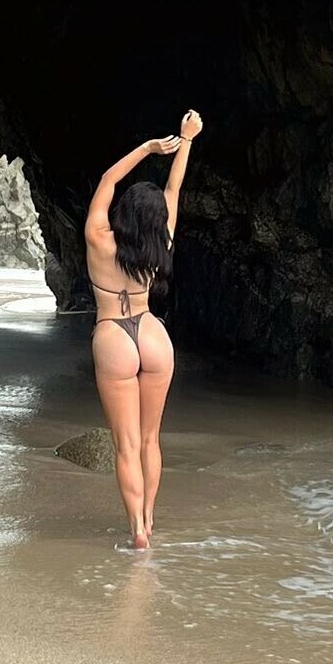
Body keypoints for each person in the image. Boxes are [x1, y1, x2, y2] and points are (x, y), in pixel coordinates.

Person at [84, 109, 204, 549]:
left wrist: (149, 148)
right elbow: (173, 189)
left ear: (125, 213)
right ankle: (150, 518)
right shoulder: (161, 241)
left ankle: (136, 530)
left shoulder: (99, 237)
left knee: (126, 444)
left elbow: (107, 180)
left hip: (113, 334)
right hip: (152, 334)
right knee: (151, 438)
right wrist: (187, 140)